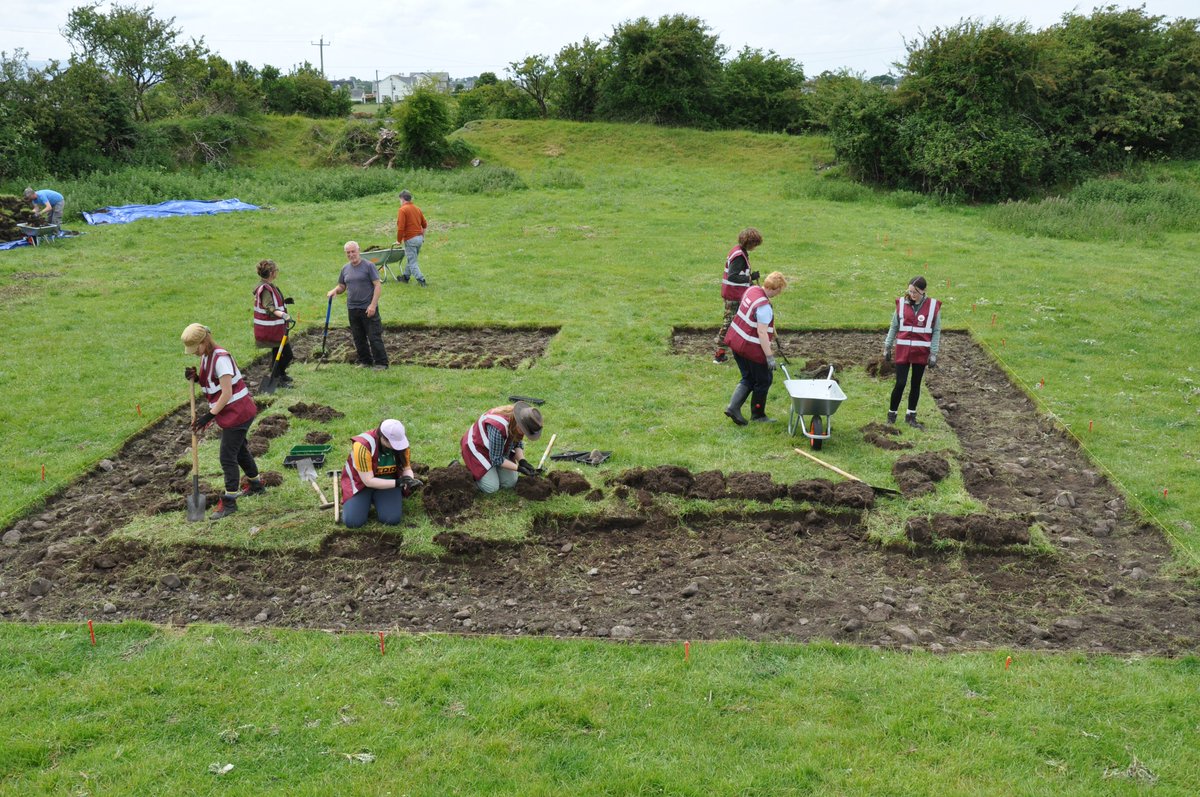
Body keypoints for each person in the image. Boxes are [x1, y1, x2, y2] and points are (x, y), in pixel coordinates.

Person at [182, 323, 263, 520]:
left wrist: (209, 415)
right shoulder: (206, 356)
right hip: (231, 413)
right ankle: (256, 485)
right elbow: (213, 383)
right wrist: (198, 378)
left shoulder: (221, 359)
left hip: (239, 413)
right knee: (240, 450)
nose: (194, 353)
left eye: (196, 349)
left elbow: (226, 392)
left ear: (205, 341)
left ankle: (229, 502)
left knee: (227, 456)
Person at [723, 271, 788, 425]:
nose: (779, 294)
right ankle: (758, 415)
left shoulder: (752, 290)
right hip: (750, 348)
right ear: (775, 289)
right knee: (764, 380)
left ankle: (733, 407)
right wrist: (769, 357)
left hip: (736, 342)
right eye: (780, 290)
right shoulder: (764, 307)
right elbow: (762, 333)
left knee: (749, 378)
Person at [883, 276, 941, 430]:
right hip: (902, 351)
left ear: (923, 291)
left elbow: (936, 331)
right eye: (909, 291)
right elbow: (894, 326)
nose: (912, 295)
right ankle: (891, 415)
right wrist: (887, 346)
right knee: (900, 383)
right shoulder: (902, 304)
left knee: (916, 384)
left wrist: (933, 353)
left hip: (921, 352)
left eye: (915, 292)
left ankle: (911, 416)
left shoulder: (933, 306)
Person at [339, 419, 422, 528]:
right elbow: (368, 481)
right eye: (392, 444)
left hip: (388, 482)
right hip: (361, 484)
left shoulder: (401, 443)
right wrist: (398, 483)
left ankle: (377, 499)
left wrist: (408, 479)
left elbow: (407, 468)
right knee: (353, 522)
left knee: (391, 519)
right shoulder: (363, 446)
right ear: (382, 437)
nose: (396, 447)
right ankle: (363, 501)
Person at [327, 241, 389, 369]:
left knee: (374, 337)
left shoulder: (369, 266)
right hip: (352, 308)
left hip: (367, 308)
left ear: (358, 251)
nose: (351, 254)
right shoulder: (345, 268)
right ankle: (365, 361)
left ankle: (381, 363)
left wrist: (373, 305)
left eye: (353, 251)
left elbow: (377, 285)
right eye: (348, 252)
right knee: (358, 337)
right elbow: (342, 286)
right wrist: (334, 291)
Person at [460, 401, 544, 493]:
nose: (525, 434)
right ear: (520, 424)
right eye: (525, 431)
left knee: (510, 483)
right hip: (478, 449)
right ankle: (464, 472)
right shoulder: (498, 426)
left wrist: (522, 461)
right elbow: (496, 459)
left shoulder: (518, 423)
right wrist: (518, 468)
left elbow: (517, 443)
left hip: (496, 450)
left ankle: (490, 470)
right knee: (491, 488)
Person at [713, 227, 763, 364]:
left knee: (735, 322)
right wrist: (749, 279)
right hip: (733, 296)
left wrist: (750, 278)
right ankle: (719, 354)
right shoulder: (739, 256)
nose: (755, 247)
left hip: (736, 294)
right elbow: (733, 276)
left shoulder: (739, 251)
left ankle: (739, 349)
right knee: (729, 323)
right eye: (755, 244)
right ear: (749, 242)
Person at [252, 259, 294, 388]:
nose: (277, 272)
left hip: (275, 327)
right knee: (286, 354)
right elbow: (269, 306)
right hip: (271, 328)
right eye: (276, 270)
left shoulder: (269, 285)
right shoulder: (265, 289)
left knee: (279, 353)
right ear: (271, 272)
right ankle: (277, 378)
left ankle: (280, 374)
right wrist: (283, 315)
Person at [396, 189, 428, 286]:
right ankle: (405, 277)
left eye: (399, 200)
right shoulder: (417, 208)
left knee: (412, 262)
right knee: (411, 259)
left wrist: (398, 240)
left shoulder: (402, 210)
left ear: (402, 199)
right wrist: (423, 236)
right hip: (419, 239)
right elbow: (425, 224)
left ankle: (421, 280)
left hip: (410, 239)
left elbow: (401, 228)